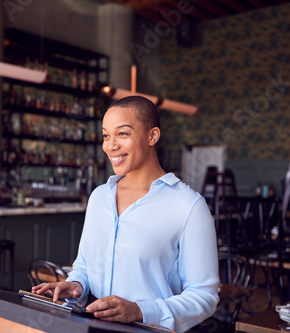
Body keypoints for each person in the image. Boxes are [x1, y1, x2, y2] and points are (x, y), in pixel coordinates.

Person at [32, 96, 219, 332]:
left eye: (122, 134)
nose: (110, 145)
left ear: (152, 136)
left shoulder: (189, 206)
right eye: (106, 135)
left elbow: (204, 297)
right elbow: (85, 266)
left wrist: (141, 310)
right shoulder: (99, 197)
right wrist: (77, 284)